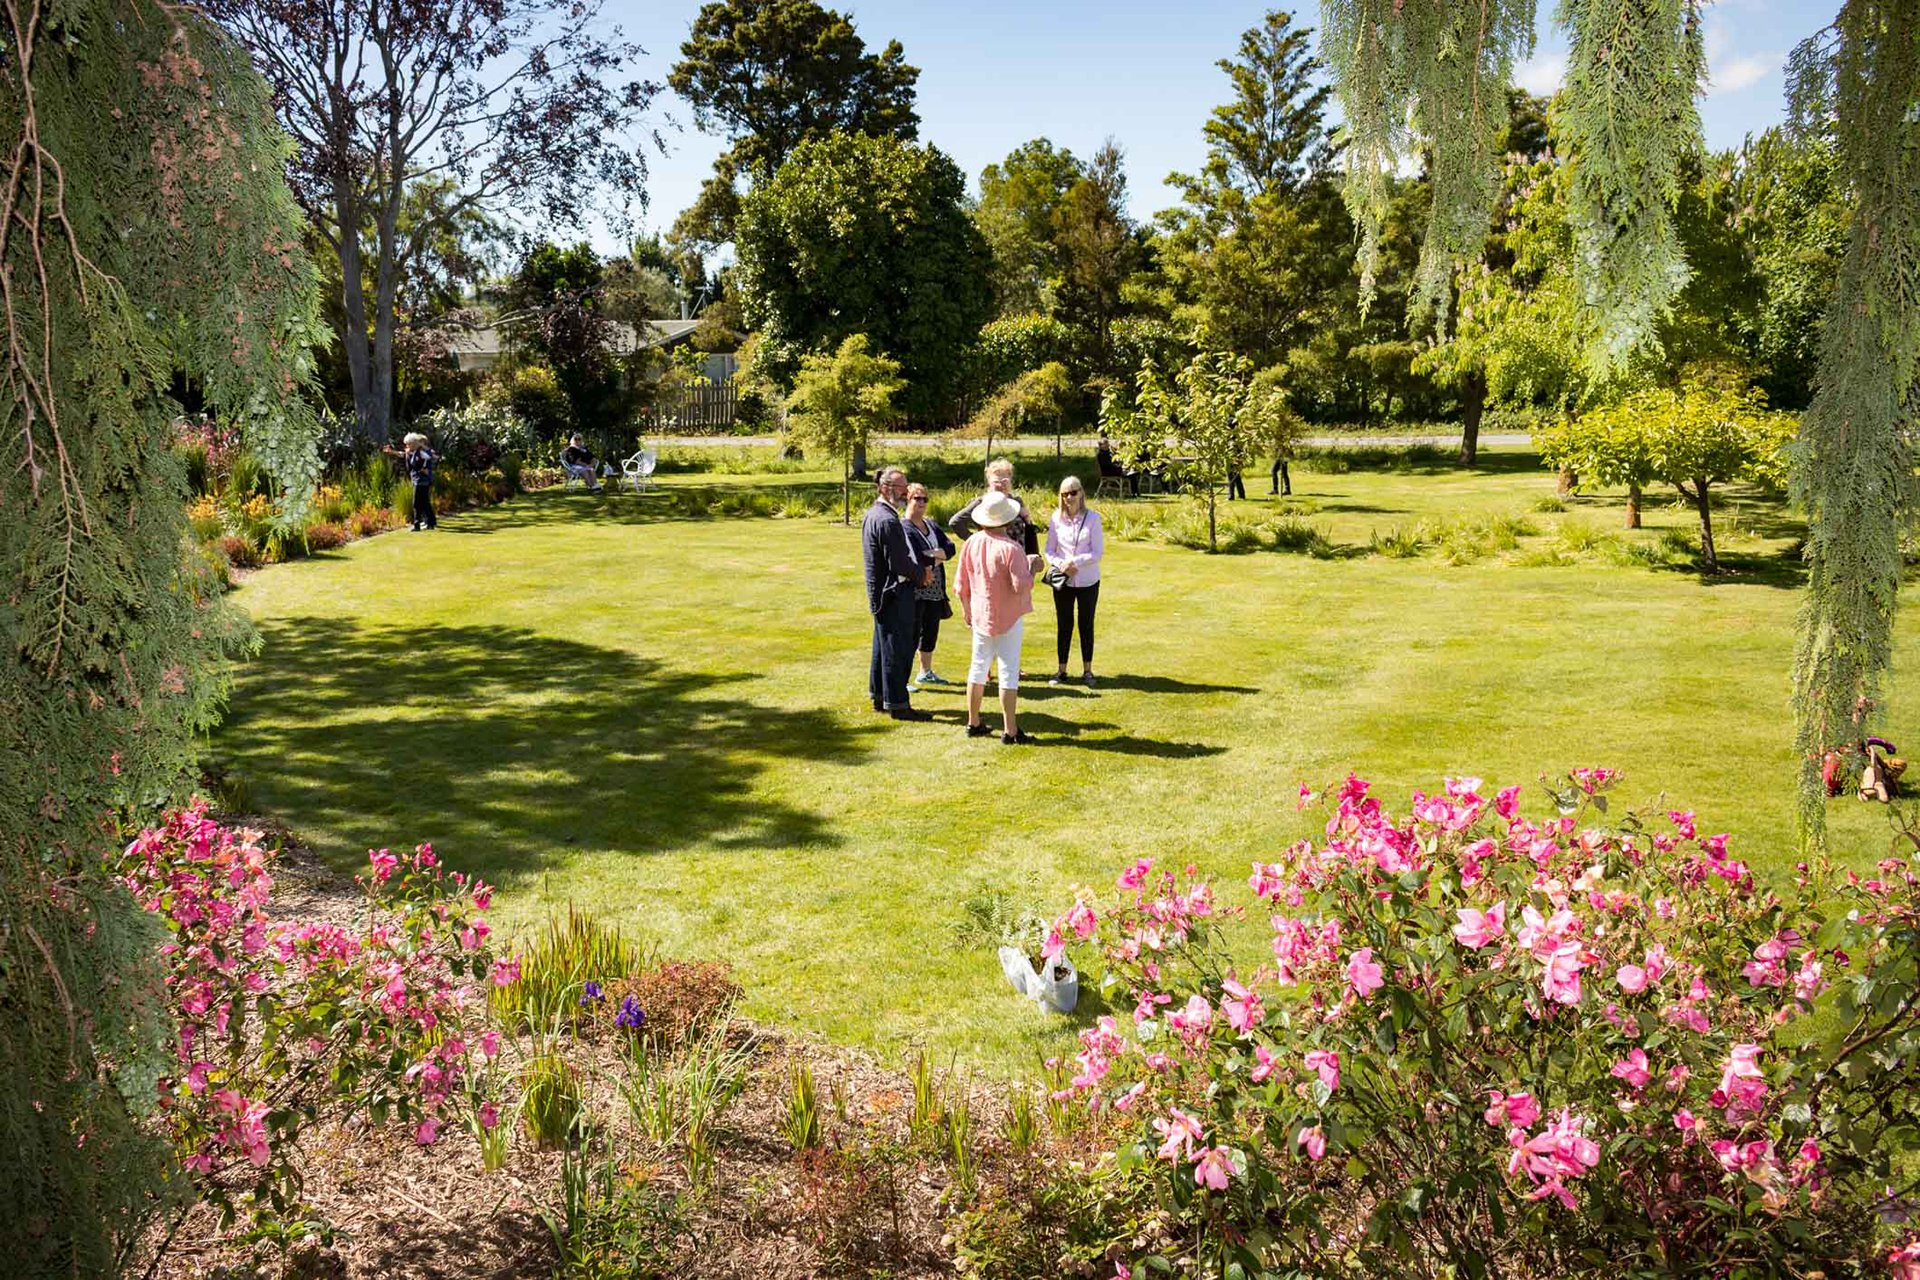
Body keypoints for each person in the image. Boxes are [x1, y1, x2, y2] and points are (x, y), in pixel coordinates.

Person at [954, 490, 1038, 744]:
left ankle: (973, 721)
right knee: (1008, 671)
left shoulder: (972, 543)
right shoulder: (1011, 549)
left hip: (981, 614)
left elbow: (961, 582)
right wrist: (1032, 567)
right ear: (1008, 519)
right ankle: (1010, 730)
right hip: (1008, 617)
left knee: (978, 667)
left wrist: (966, 608)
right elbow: (1020, 585)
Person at [861, 466, 930, 722]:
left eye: (906, 486)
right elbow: (898, 563)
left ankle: (880, 696)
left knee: (882, 648)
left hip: (882, 593)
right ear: (884, 488)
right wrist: (922, 574)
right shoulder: (887, 519)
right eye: (901, 487)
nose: (906, 491)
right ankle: (898, 705)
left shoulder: (875, 514)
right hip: (893, 593)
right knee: (897, 649)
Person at [1044, 476, 1105, 686]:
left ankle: (1087, 670)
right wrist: (1061, 565)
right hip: (1064, 582)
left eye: (1073, 492)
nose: (1069, 497)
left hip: (1088, 580)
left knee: (1086, 624)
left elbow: (1097, 552)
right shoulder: (1055, 519)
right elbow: (1049, 550)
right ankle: (1061, 670)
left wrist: (1074, 562)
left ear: (1081, 493)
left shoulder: (1093, 519)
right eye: (1065, 494)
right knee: (1064, 624)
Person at [901, 482, 957, 688]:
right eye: (917, 498)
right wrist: (937, 555)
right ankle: (903, 678)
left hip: (935, 589)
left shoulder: (931, 525)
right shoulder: (904, 527)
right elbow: (916, 557)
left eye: (925, 498)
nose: (922, 502)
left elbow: (950, 548)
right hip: (916, 589)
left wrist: (934, 556)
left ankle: (925, 672)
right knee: (912, 633)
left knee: (931, 631)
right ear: (907, 499)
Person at [948, 458, 1039, 555]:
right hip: (993, 555)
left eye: (1004, 481)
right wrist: (975, 541)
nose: (1001, 485)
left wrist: (1027, 518)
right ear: (989, 482)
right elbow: (956, 522)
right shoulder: (982, 502)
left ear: (1010, 481)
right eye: (996, 481)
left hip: (1019, 554)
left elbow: (1028, 532)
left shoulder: (1017, 502)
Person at [382, 432, 437, 530]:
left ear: (414, 444)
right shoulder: (410, 452)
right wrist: (391, 452)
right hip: (417, 479)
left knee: (416, 503)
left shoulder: (421, 452)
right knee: (425, 502)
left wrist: (425, 469)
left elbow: (430, 456)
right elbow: (402, 454)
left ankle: (417, 525)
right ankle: (431, 522)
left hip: (422, 480)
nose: (406, 446)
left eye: (408, 444)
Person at [1096, 432, 1138, 497]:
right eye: (1105, 444)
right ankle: (1134, 493)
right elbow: (1107, 465)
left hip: (1115, 470)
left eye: (1107, 443)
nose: (1107, 445)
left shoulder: (1109, 452)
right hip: (1109, 473)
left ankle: (1134, 493)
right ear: (1101, 445)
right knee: (1131, 475)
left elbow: (1115, 461)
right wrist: (1119, 467)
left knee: (1132, 474)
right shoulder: (1101, 454)